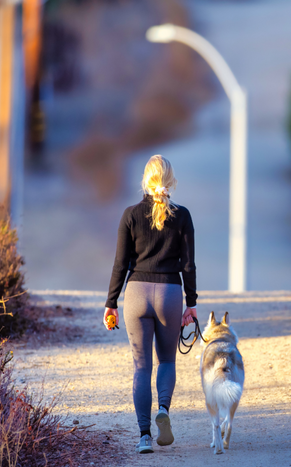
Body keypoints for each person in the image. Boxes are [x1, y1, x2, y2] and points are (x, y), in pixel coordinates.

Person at [103, 155, 198, 454]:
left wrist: (111, 303)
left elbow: (120, 264)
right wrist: (191, 304)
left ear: (145, 180)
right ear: (170, 181)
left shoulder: (130, 215)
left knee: (141, 368)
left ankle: (144, 436)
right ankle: (164, 411)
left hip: (136, 294)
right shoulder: (182, 216)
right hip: (169, 293)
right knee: (167, 361)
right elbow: (189, 266)